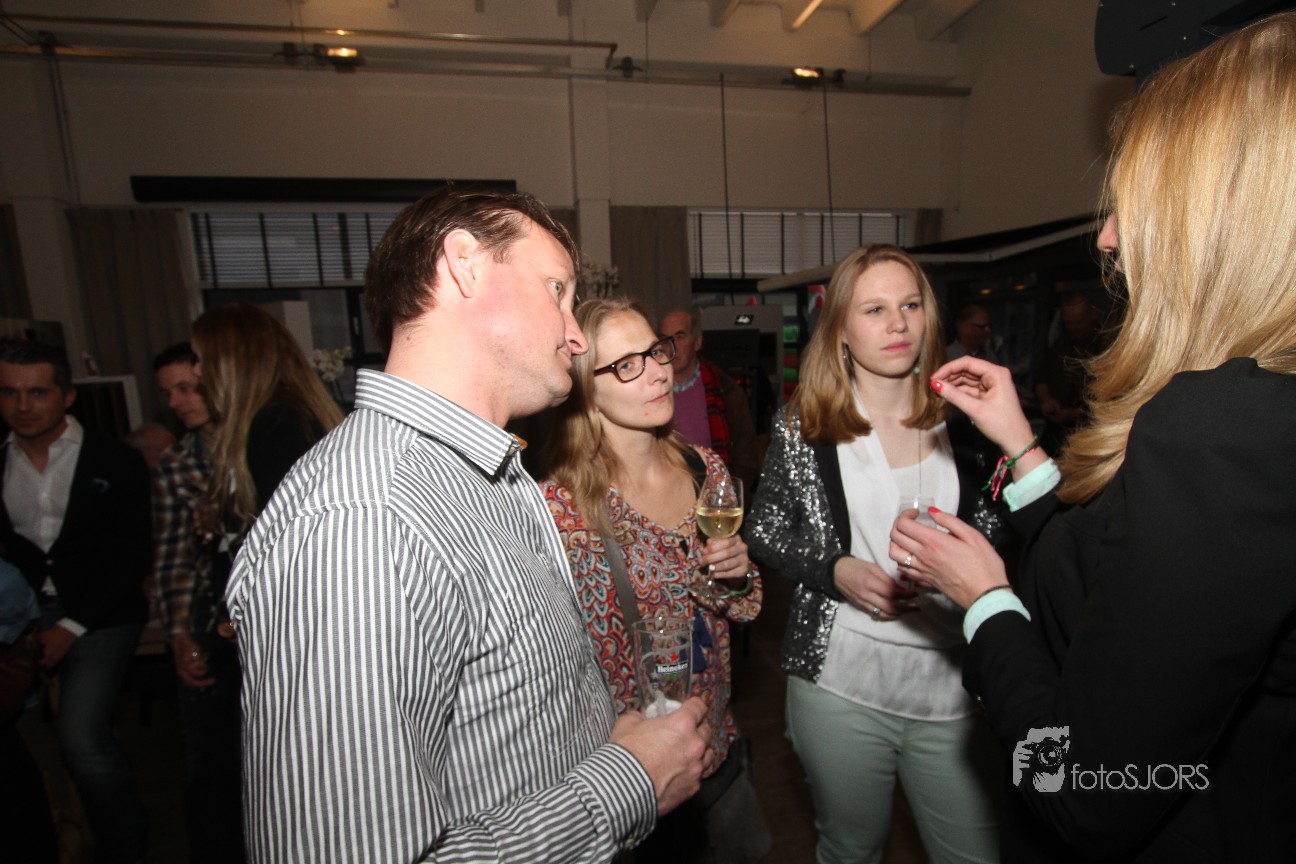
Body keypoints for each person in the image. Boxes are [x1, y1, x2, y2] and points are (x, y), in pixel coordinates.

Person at [889, 14, 1296, 861]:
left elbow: (1086, 787)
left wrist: (985, 600)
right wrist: (1024, 450)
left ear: (1220, 221)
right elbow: (1132, 586)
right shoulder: (1256, 412)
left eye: (1132, 206)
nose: (1106, 237)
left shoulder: (1221, 428)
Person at [225, 188, 711, 863]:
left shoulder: (493, 476)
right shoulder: (365, 523)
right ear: (465, 265)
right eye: (557, 291)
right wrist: (625, 783)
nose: (574, 336)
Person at [744, 245, 1010, 864]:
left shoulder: (968, 419)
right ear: (841, 328)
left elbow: (1004, 527)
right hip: (840, 683)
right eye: (875, 309)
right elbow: (765, 529)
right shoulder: (806, 425)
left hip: (953, 687)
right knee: (851, 849)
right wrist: (834, 570)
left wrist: (961, 568)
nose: (898, 324)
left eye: (910, 305)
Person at [542, 296, 766, 861]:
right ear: (584, 389)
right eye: (626, 365)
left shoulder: (704, 468)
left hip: (714, 737)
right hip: (632, 768)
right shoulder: (560, 508)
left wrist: (737, 575)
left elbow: (743, 608)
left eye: (656, 352)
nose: (658, 371)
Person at [0, 339, 152, 863]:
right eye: (10, 393)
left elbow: (134, 555)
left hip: (101, 615)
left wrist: (73, 625)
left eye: (37, 392)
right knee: (24, 746)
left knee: (83, 740)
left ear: (66, 396)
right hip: (17, 621)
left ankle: (125, 850)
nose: (23, 405)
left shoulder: (116, 460)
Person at [149, 342, 232, 864]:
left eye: (186, 387)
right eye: (168, 394)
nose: (177, 402)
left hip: (257, 621)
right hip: (208, 615)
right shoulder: (176, 464)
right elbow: (172, 558)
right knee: (206, 757)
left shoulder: (262, 442)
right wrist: (179, 634)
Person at [659, 307, 760, 491]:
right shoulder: (649, 392)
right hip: (663, 493)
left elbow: (746, 457)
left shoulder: (726, 391)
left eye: (680, 337)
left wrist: (729, 496)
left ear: (697, 342)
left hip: (715, 495)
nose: (671, 346)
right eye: (665, 339)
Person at [1033, 291, 1105, 454]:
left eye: (1079, 322)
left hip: (1092, 431)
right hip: (1056, 432)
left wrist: (1075, 414)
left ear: (1093, 314)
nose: (1074, 328)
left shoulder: (1107, 346)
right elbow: (1043, 379)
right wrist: (1046, 401)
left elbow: (1111, 399)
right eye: (1068, 323)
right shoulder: (1061, 345)